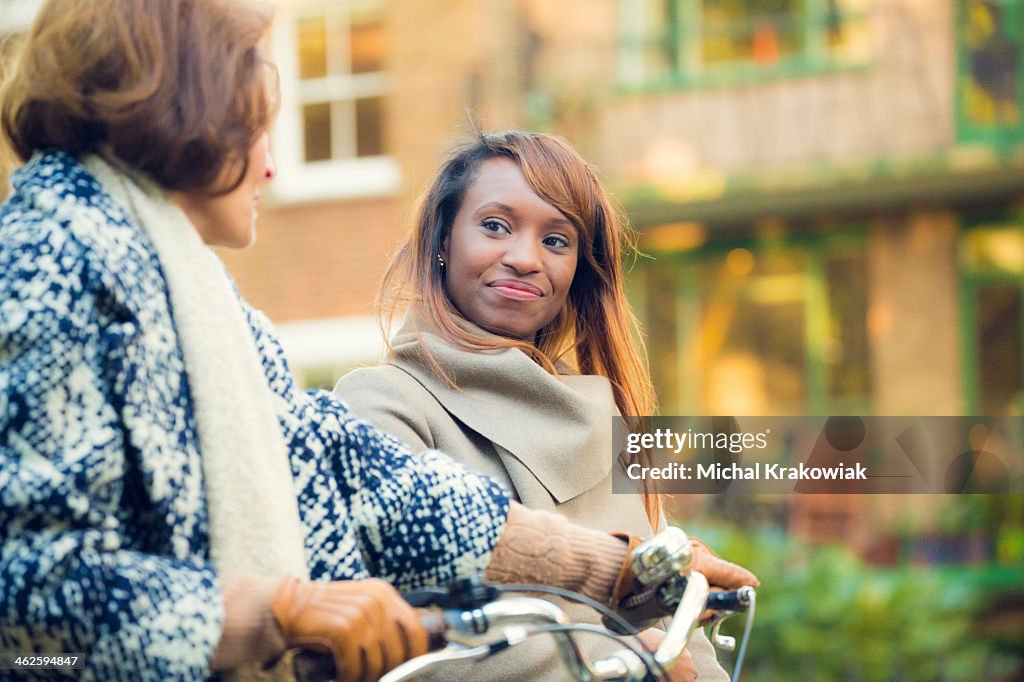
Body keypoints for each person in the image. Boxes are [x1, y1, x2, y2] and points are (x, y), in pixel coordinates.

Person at [0, 3, 753, 680]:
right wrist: (279, 613)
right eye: (256, 124)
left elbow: (370, 483)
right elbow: (25, 604)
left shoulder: (204, 308)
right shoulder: (48, 260)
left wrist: (619, 570)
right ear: (186, 113)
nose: (272, 162)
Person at [335, 130, 757, 681]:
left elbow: (680, 634)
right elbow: (405, 639)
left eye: (557, 241)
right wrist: (635, 663)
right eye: (495, 226)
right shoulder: (381, 405)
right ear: (442, 239)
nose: (525, 258)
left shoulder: (602, 416)